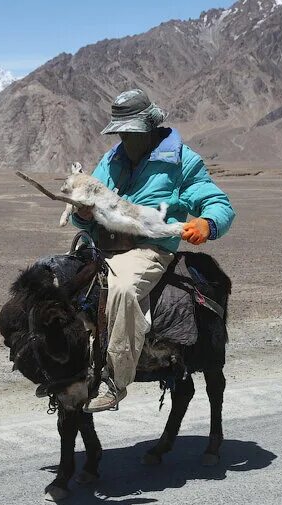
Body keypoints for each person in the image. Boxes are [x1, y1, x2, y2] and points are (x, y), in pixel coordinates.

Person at [72, 88, 235, 413]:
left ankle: (114, 381)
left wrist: (207, 224)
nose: (124, 139)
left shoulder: (181, 162)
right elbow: (88, 209)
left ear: (149, 127)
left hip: (147, 250)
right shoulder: (111, 160)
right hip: (101, 246)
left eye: (130, 133)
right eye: (120, 132)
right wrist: (83, 214)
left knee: (122, 288)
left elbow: (219, 203)